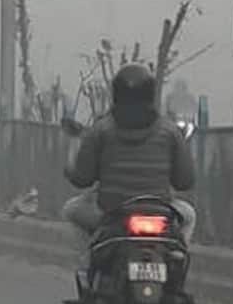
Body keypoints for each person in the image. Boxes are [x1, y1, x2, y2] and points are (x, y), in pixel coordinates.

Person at [62, 63, 196, 247]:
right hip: (159, 211)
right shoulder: (169, 131)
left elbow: (82, 179)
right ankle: (176, 256)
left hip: (111, 212)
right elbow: (185, 181)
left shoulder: (101, 130)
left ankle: (89, 259)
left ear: (116, 94)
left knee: (71, 210)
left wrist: (72, 152)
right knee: (189, 215)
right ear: (151, 93)